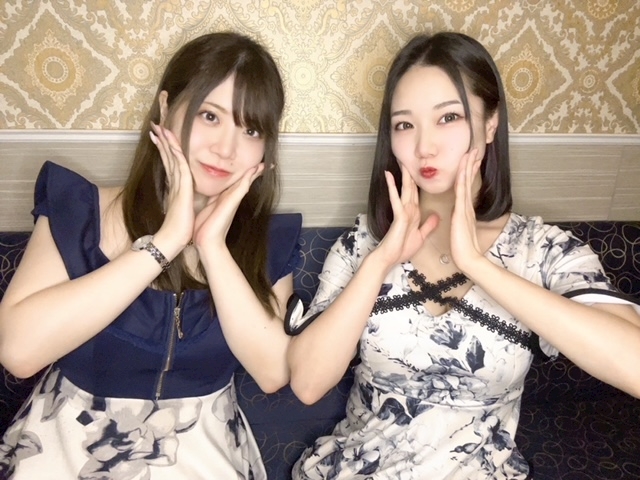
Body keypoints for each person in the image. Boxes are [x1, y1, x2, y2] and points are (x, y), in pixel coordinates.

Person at [285, 31, 640, 479]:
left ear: (491, 124)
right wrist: (380, 260)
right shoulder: (363, 245)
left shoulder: (543, 250)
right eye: (404, 125)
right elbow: (308, 383)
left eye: (448, 117)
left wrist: (477, 265)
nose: (424, 147)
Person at [0, 31, 300, 479]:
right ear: (165, 107)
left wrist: (211, 245)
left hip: (202, 453)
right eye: (210, 116)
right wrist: (166, 241)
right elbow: (18, 351)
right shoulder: (80, 211)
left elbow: (273, 371)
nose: (226, 149)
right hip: (67, 447)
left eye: (250, 129)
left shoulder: (269, 240)